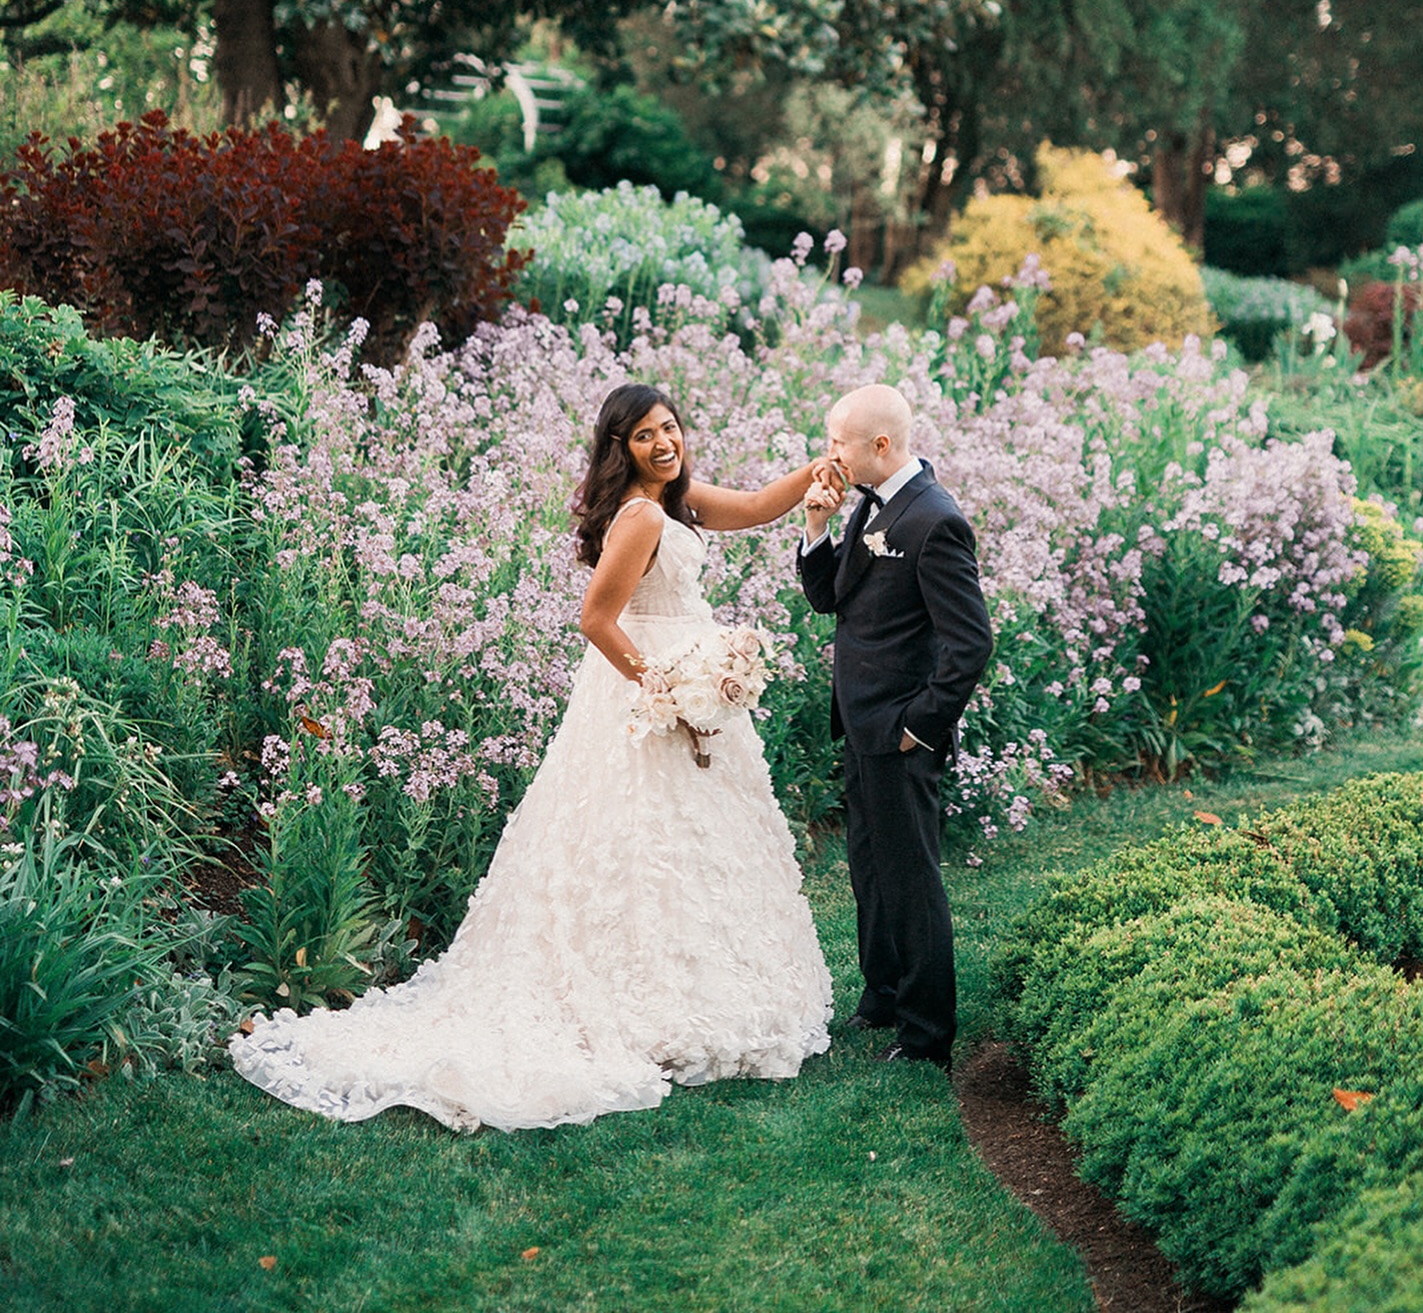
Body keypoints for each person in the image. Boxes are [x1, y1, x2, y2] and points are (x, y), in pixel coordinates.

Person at [231, 382, 832, 1132]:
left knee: (689, 844)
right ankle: (643, 999)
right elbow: (596, 618)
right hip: (648, 700)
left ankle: (695, 988)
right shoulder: (642, 515)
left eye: (670, 427)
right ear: (621, 448)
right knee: (639, 842)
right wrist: (666, 691)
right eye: (645, 434)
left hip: (692, 694)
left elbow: (753, 505)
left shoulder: (677, 500)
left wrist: (822, 465)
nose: (664, 442)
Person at [798, 383, 993, 1071]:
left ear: (879, 444)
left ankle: (924, 1034)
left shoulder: (933, 520)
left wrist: (921, 726)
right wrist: (817, 527)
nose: (829, 455)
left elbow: (969, 643)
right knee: (870, 870)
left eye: (837, 443)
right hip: (858, 723)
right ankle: (880, 997)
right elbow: (832, 600)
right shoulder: (868, 506)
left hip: (900, 732)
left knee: (910, 880)